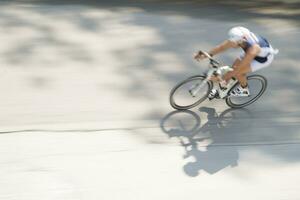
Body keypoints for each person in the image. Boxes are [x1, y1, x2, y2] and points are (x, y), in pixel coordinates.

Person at [194, 26, 278, 98]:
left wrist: (223, 79)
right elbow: (221, 47)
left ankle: (244, 89)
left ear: (241, 41)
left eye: (234, 43)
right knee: (232, 69)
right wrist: (207, 55)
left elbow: (239, 68)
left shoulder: (253, 48)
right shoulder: (240, 39)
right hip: (249, 52)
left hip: (262, 59)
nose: (232, 44)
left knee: (238, 72)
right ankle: (222, 90)